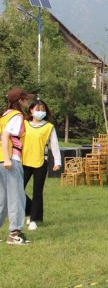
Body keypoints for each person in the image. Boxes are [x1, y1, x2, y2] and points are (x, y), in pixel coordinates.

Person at [0, 88, 33, 245]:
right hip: (10, 159)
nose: (28, 101)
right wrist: (8, 159)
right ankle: (15, 234)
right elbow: (6, 136)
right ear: (20, 100)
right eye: (26, 99)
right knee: (16, 197)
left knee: (3, 198)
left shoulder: (4, 115)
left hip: (1, 159)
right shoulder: (17, 116)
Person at [22, 99, 61, 231]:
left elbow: (54, 144)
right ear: (31, 110)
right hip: (24, 162)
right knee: (17, 189)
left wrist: (57, 161)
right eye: (37, 109)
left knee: (37, 192)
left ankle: (34, 219)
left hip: (40, 162)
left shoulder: (48, 127)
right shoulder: (24, 124)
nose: (40, 112)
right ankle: (31, 209)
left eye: (43, 110)